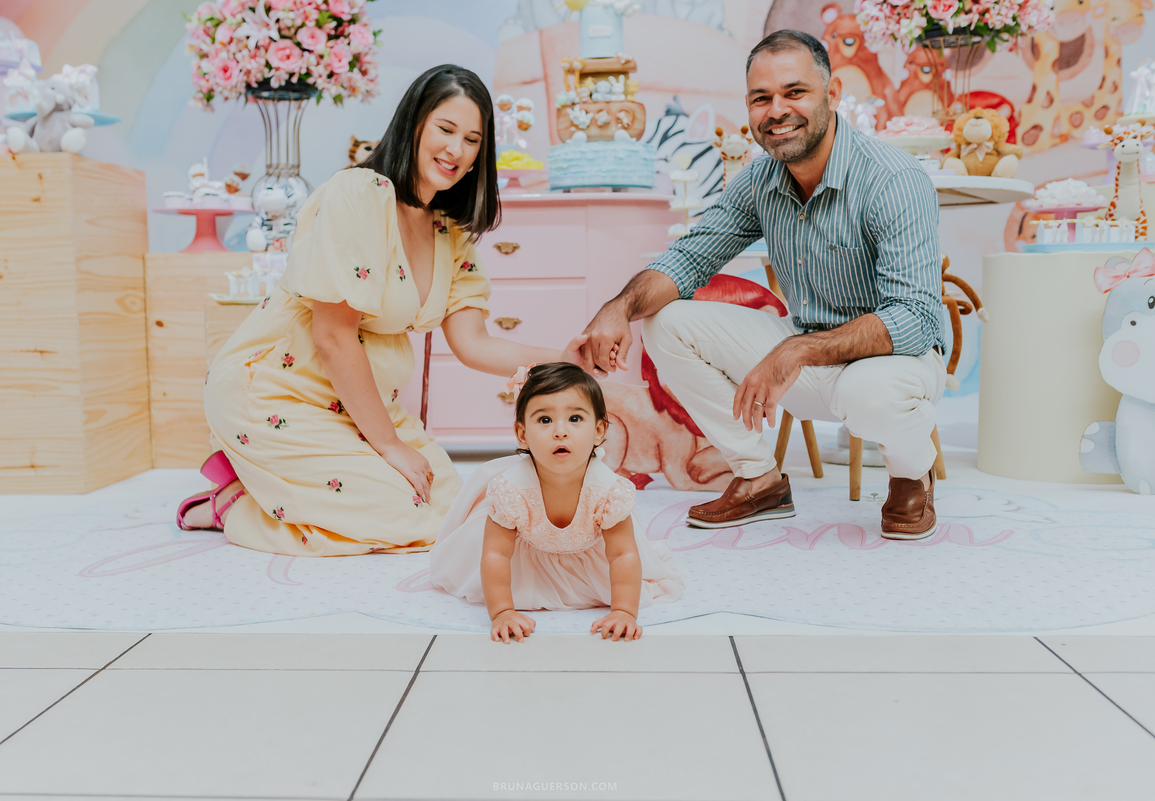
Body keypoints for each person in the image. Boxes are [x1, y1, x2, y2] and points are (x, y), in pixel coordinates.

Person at [177, 65, 588, 556]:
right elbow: (332, 337)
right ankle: (232, 502)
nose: (456, 150)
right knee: (394, 515)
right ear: (414, 124)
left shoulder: (449, 231)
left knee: (455, 513)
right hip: (278, 393)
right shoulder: (358, 195)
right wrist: (391, 447)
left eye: (473, 139)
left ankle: (280, 486)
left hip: (362, 405)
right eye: (446, 129)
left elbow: (474, 344)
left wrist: (565, 361)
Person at [576, 30, 947, 540]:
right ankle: (759, 479)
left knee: (872, 395)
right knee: (667, 322)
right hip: (808, 358)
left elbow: (915, 317)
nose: (777, 110)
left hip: (892, 364)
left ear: (833, 94)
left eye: (795, 92)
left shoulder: (892, 179)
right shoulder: (761, 180)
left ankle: (911, 476)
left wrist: (794, 351)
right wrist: (618, 307)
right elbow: (688, 258)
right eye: (761, 98)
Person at [429, 363, 683, 642]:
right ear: (522, 434)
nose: (560, 432)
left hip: (589, 553)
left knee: (629, 569)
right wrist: (502, 612)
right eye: (545, 420)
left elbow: (621, 554)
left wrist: (623, 611)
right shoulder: (511, 489)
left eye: (575, 419)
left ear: (599, 431)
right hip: (524, 558)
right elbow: (496, 554)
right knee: (492, 559)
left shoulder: (607, 490)